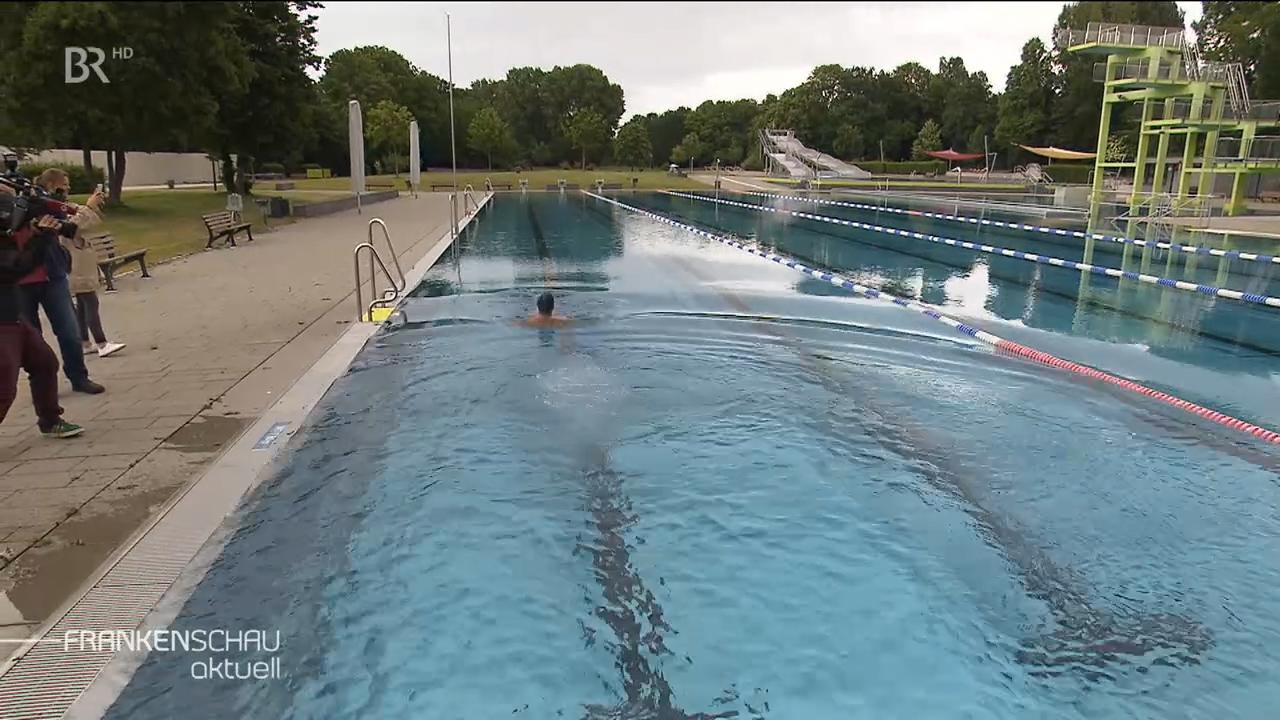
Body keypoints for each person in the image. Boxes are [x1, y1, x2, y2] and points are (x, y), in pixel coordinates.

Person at [0, 184, 84, 438]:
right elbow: (14, 269)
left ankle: (50, 420)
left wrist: (38, 232)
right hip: (3, 322)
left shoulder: (7, 234)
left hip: (12, 315)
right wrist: (41, 238)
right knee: (4, 388)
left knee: (45, 363)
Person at [20, 169, 105, 393]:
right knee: (32, 338)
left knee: (69, 331)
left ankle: (79, 377)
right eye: (64, 185)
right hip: (20, 280)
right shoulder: (13, 207)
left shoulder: (45, 203)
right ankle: (41, 386)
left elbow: (70, 227)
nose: (66, 189)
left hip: (53, 275)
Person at [61, 213, 125, 358]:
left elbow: (92, 219)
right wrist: (88, 207)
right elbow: (78, 220)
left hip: (86, 278)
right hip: (79, 279)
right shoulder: (66, 240)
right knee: (91, 305)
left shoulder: (83, 239)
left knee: (82, 309)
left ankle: (85, 343)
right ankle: (101, 343)